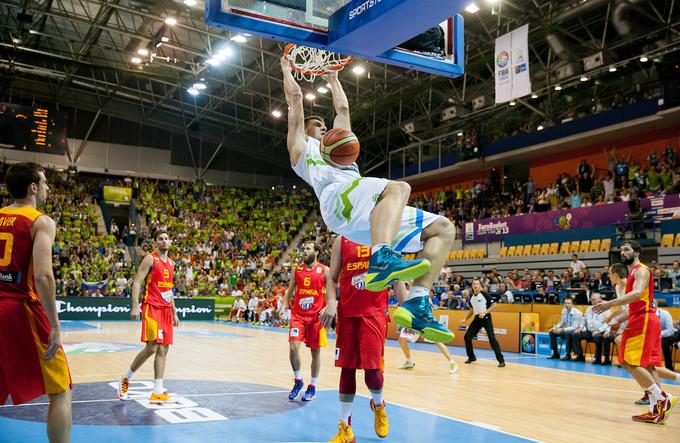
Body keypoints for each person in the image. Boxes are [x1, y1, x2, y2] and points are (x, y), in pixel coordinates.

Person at [281, 59, 454, 343]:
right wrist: (287, 69)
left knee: (444, 229)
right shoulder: (302, 149)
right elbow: (296, 100)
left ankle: (417, 303)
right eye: (319, 125)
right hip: (337, 200)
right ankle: (383, 257)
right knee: (398, 188)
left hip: (365, 214)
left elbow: (343, 110)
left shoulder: (345, 149)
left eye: (326, 125)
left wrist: (333, 79)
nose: (324, 127)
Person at [0, 163, 72, 443]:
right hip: (20, 309)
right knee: (61, 388)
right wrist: (54, 324)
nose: (47, 188)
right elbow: (43, 276)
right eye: (44, 182)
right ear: (32, 187)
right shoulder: (41, 221)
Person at [594, 241, 676, 424]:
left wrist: (609, 304)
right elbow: (631, 307)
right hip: (638, 318)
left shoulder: (641, 270)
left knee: (627, 360)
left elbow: (638, 294)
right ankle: (656, 409)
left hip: (645, 319)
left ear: (637, 252)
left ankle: (663, 398)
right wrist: (616, 321)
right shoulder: (632, 273)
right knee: (645, 365)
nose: (622, 252)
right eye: (621, 250)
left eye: (627, 249)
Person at [325, 236, 391, 442]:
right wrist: (330, 302)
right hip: (347, 313)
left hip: (374, 312)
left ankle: (378, 405)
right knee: (347, 369)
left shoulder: (383, 233)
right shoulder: (341, 240)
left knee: (372, 372)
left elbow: (395, 274)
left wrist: (408, 305)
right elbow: (332, 278)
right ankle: (345, 429)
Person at [118, 231, 180, 403]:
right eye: (161, 239)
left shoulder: (172, 263)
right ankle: (126, 378)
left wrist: (174, 311)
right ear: (156, 242)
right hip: (152, 308)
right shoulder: (150, 259)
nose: (164, 241)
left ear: (170, 241)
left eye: (167, 238)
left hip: (166, 310)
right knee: (152, 347)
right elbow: (137, 281)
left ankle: (158, 390)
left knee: (163, 349)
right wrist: (134, 305)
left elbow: (169, 290)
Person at [279, 241, 333, 402]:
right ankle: (298, 380)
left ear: (316, 252)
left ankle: (313, 386)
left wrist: (329, 305)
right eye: (304, 249)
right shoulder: (297, 270)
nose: (304, 251)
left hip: (316, 317)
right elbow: (290, 289)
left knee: (315, 352)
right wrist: (283, 304)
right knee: (294, 346)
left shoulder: (325, 270)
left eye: (308, 249)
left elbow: (331, 290)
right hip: (298, 315)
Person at [460, 279, 505, 367]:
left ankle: (501, 361)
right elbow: (472, 310)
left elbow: (494, 305)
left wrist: (485, 313)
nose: (476, 285)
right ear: (472, 286)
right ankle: (471, 357)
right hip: (477, 319)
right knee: (467, 337)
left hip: (486, 318)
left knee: (492, 339)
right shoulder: (472, 298)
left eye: (477, 284)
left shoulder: (484, 294)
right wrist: (465, 319)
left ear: (480, 286)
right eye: (474, 284)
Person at [571, 293, 611, 364]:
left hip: (600, 331)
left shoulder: (606, 310)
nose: (594, 301)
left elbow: (608, 323)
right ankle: (580, 356)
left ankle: (598, 358)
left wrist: (599, 330)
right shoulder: (588, 309)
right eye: (592, 300)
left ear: (600, 300)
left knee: (597, 337)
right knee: (575, 334)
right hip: (589, 332)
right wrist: (580, 327)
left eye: (596, 299)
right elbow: (584, 320)